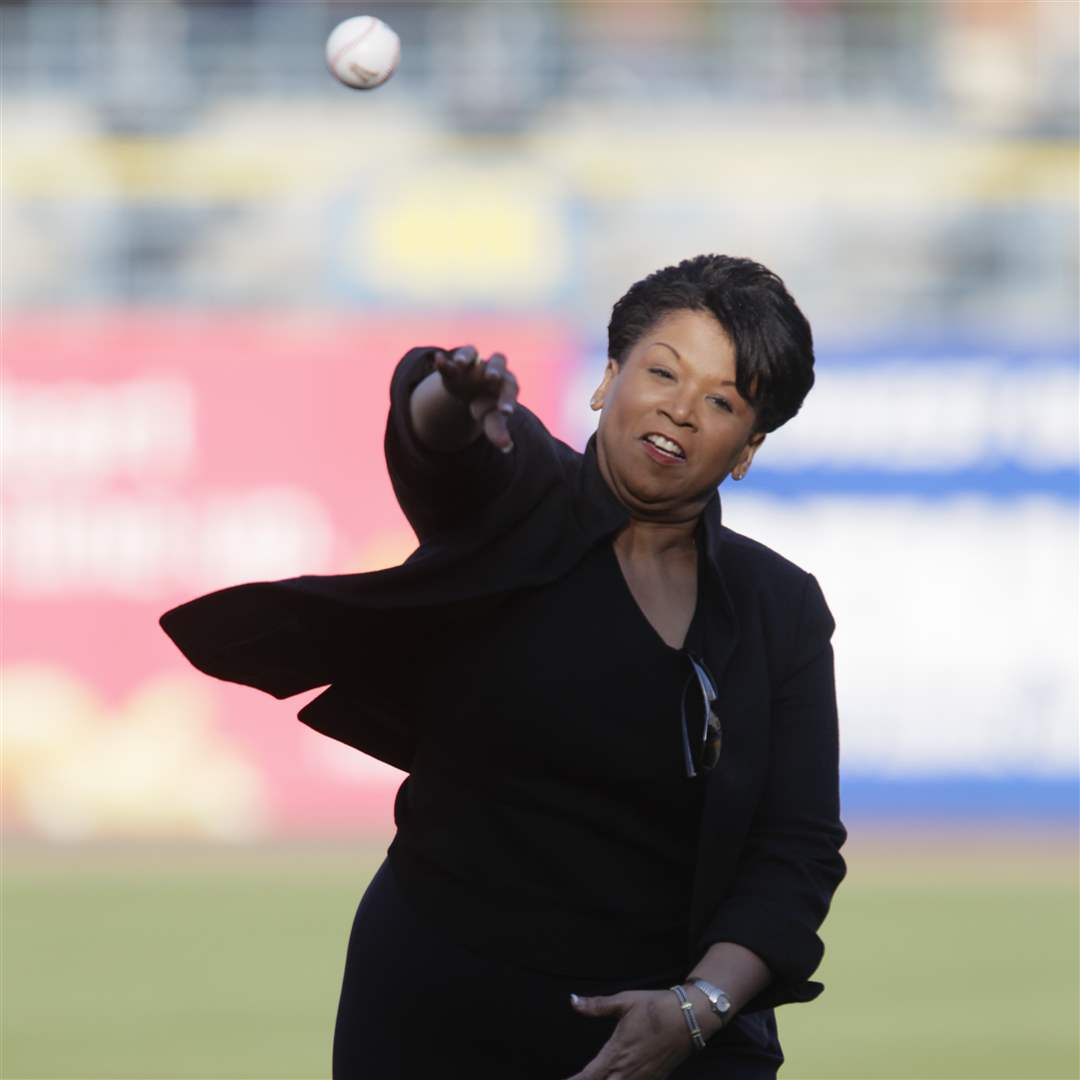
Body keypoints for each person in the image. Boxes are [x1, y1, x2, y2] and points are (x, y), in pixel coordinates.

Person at [159, 254, 847, 1080]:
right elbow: (442, 444)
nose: (681, 408)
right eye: (662, 371)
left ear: (748, 448)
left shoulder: (782, 609)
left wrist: (697, 1011)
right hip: (444, 1006)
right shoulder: (521, 497)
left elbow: (797, 848)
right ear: (606, 380)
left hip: (678, 1032)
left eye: (722, 401)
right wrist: (448, 396)